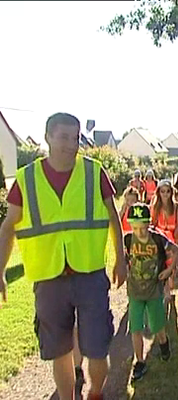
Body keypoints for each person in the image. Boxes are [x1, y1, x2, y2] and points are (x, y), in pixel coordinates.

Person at [0, 112, 127, 400]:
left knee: (97, 347)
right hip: (48, 278)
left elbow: (112, 216)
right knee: (59, 351)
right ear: (47, 137)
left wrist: (121, 258)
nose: (71, 144)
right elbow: (8, 227)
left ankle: (95, 392)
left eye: (75, 137)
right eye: (63, 137)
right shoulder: (26, 178)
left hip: (90, 273)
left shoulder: (94, 172)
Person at [124, 203, 178, 382]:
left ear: (149, 224)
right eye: (135, 227)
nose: (139, 232)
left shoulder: (157, 239)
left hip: (154, 289)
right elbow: (125, 259)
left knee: (157, 326)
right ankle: (139, 362)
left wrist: (170, 269)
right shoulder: (127, 240)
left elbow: (176, 250)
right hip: (134, 291)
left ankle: (164, 343)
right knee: (136, 328)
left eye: (143, 227)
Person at [150, 180, 178, 303]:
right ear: (158, 192)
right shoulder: (155, 206)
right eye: (162, 191)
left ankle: (171, 278)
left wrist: (176, 237)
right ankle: (166, 290)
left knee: (172, 263)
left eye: (168, 191)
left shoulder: (176, 206)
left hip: (172, 236)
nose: (165, 194)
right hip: (160, 236)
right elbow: (153, 223)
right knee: (163, 262)